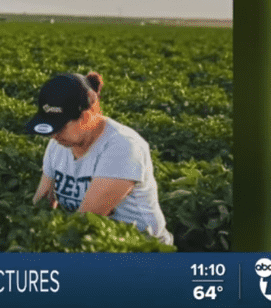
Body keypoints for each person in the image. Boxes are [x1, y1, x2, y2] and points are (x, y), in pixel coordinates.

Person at [26, 72, 173, 245]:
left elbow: (85, 220)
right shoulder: (58, 144)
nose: (53, 134)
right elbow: (42, 203)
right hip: (96, 244)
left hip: (142, 249)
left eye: (61, 125)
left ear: (87, 113)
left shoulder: (123, 147)